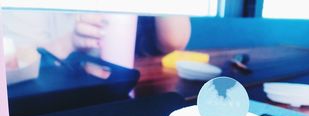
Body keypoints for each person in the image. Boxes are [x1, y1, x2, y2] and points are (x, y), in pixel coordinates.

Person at [2, 11, 191, 63]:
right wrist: (70, 43)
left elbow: (174, 40)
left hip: (132, 96)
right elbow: (15, 62)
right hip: (49, 109)